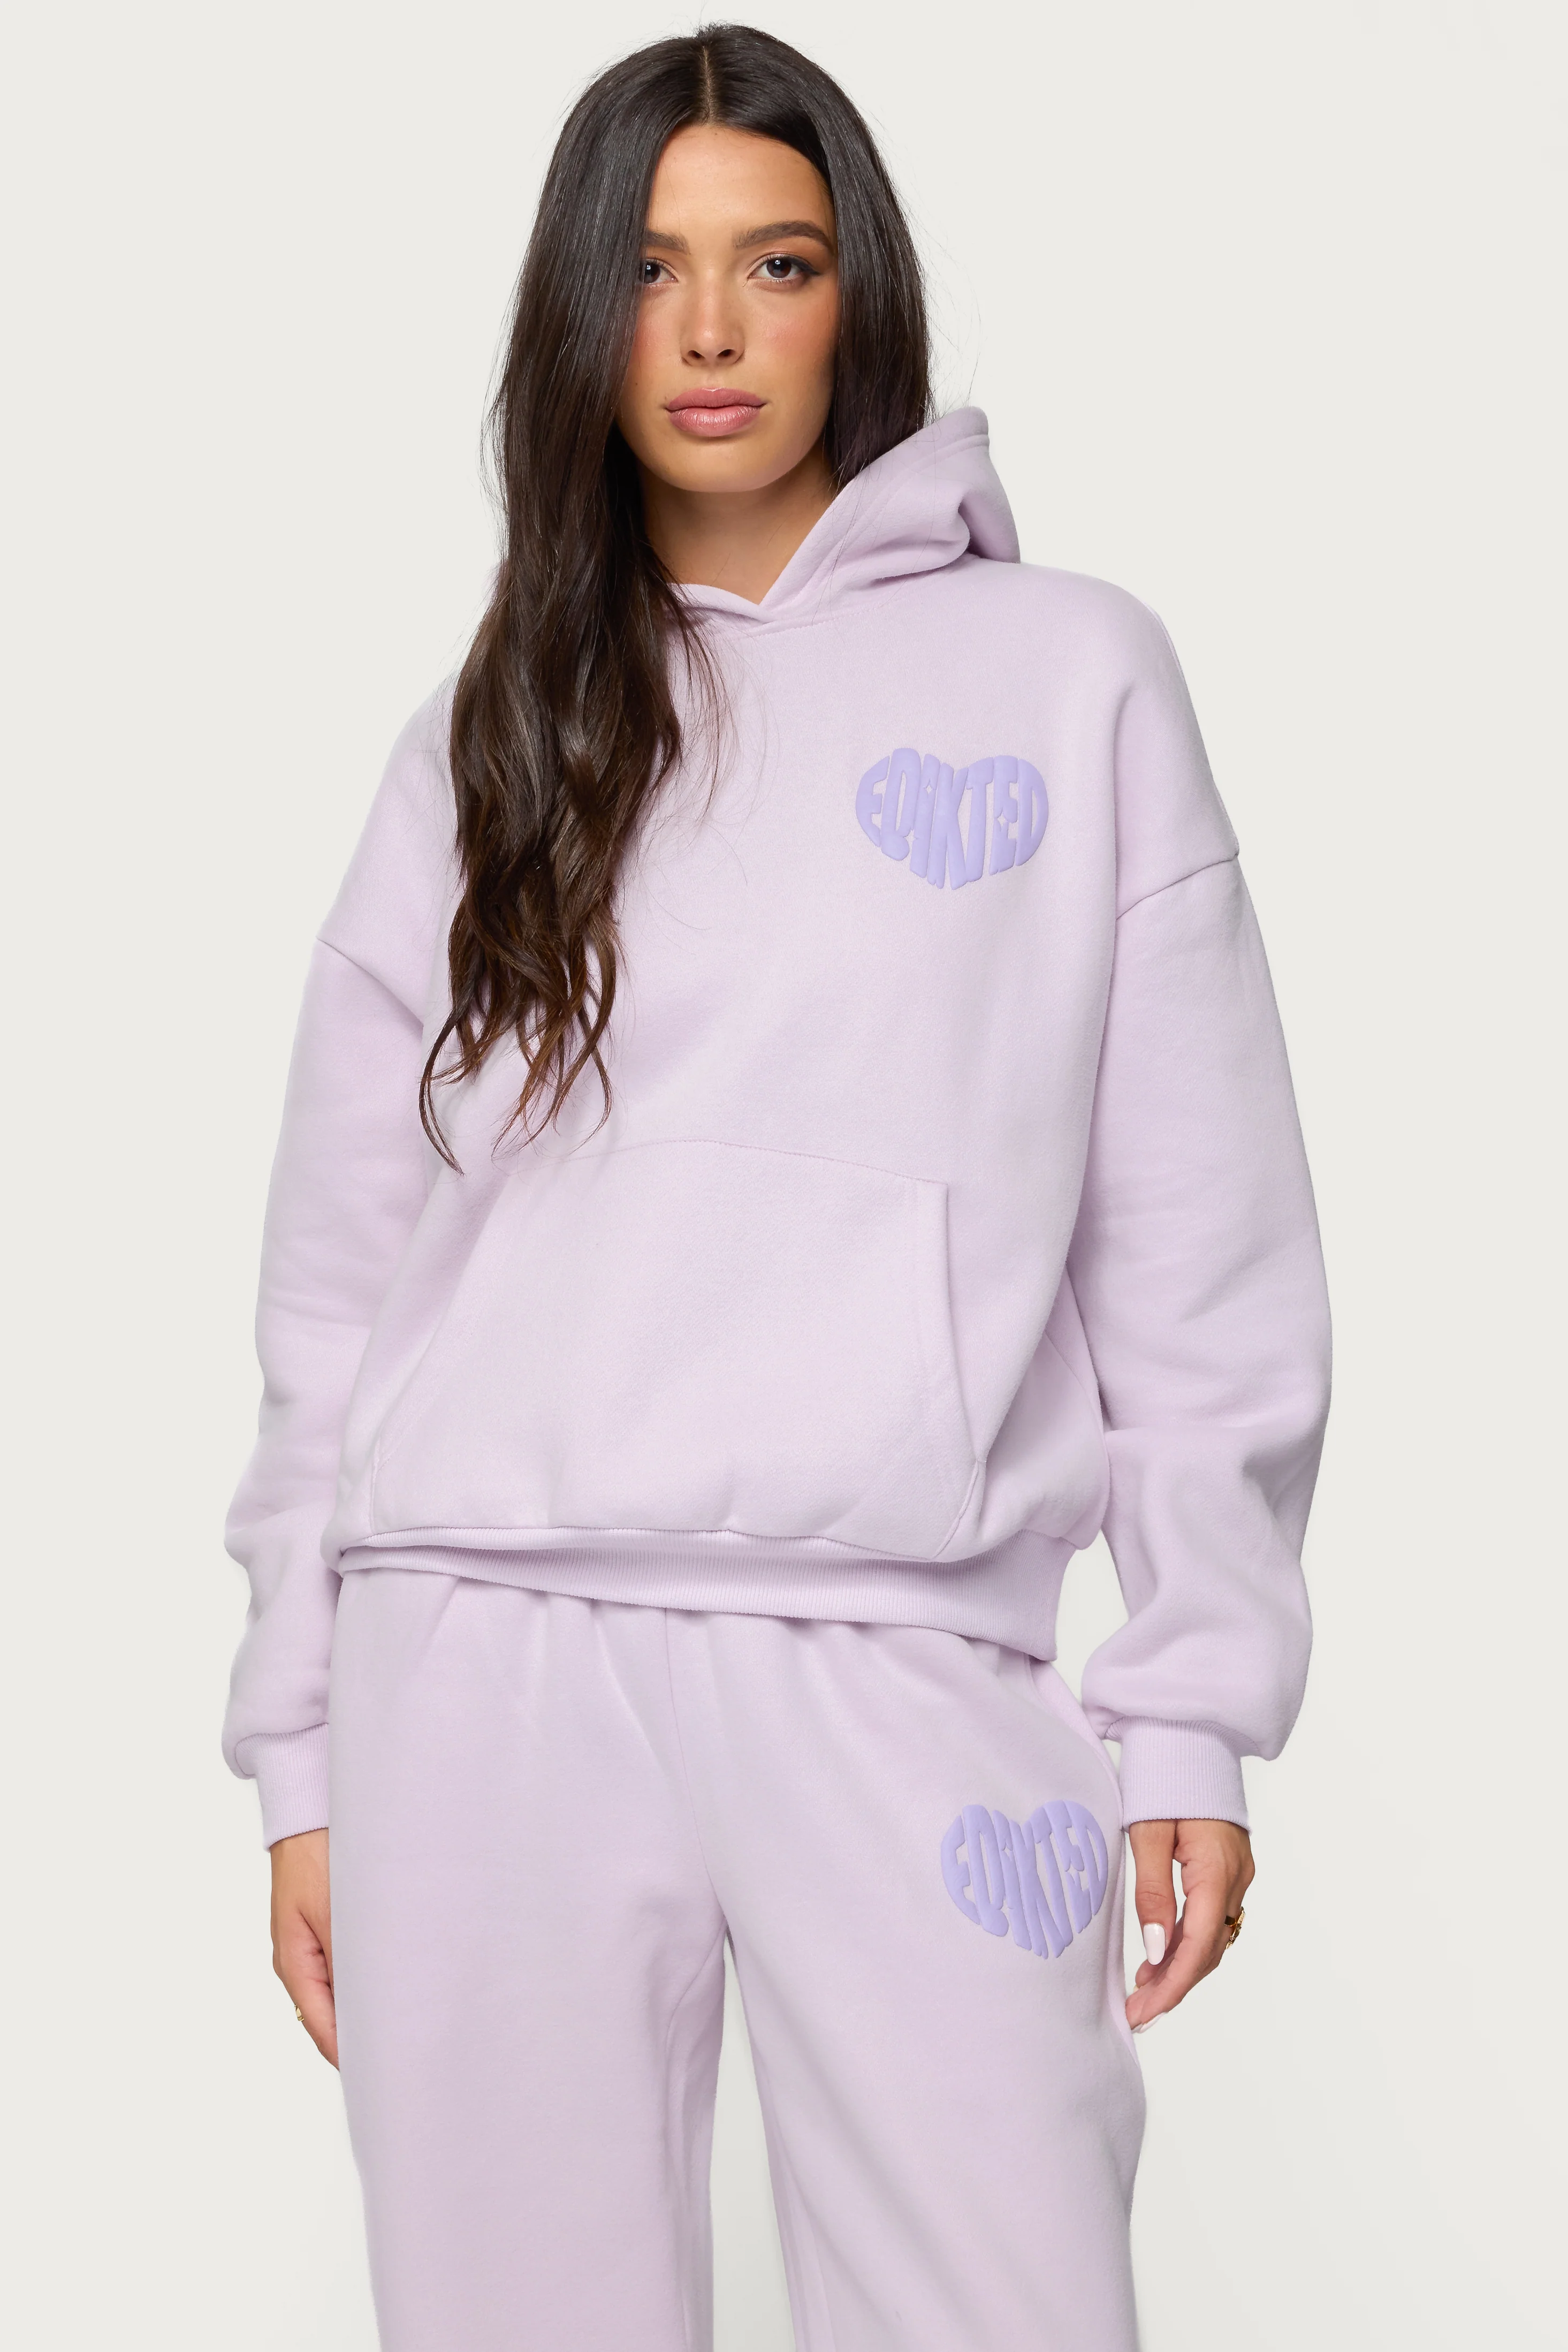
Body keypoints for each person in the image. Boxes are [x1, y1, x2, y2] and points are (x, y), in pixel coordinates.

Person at [224, 23, 1330, 2350]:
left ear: (860, 297)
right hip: (481, 1655)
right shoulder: (491, 729)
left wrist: (1193, 1701)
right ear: (578, 313)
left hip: (906, 1645)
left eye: (780, 262)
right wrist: (301, 1746)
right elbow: (341, 1281)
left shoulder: (1072, 682)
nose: (714, 329)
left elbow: (1199, 1237)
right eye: (651, 268)